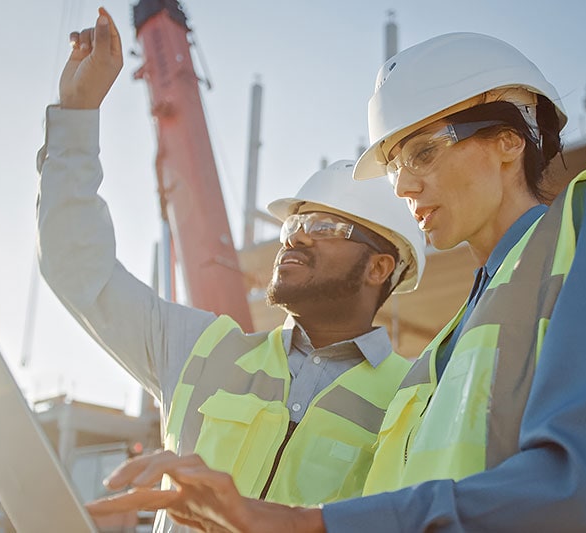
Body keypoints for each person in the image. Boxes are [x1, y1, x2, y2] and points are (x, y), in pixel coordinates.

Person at [87, 31, 586, 532]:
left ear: (510, 139)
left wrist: (299, 524)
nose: (404, 187)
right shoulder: (438, 356)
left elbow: (579, 492)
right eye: (394, 168)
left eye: (424, 153)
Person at [35, 8, 426, 532]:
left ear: (380, 267)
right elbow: (77, 267)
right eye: (295, 226)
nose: (298, 237)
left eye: (326, 227)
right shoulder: (201, 351)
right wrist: (76, 116)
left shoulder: (418, 396)